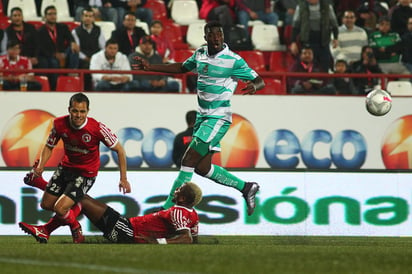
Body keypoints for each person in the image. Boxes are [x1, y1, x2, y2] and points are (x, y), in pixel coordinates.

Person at [132, 21, 264, 216]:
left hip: (218, 117)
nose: (216, 38)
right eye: (212, 35)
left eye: (219, 34)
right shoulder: (201, 54)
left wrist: (255, 86)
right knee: (202, 168)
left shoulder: (233, 60)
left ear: (223, 36)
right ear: (206, 38)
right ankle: (246, 187)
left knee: (188, 159)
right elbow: (182, 68)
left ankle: (166, 209)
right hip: (203, 116)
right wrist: (150, 66)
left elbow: (259, 79)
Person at [21, 92, 131, 243]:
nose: (78, 115)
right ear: (69, 109)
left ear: (88, 111)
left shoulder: (97, 128)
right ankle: (72, 208)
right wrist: (40, 166)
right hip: (65, 168)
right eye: (75, 111)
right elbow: (49, 146)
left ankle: (75, 226)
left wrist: (123, 178)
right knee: (46, 204)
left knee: (60, 208)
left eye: (82, 111)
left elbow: (120, 149)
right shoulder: (59, 124)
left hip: (86, 173)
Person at [19, 180, 200, 244]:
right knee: (80, 199)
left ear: (183, 198)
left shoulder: (177, 211)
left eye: (179, 190)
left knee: (79, 197)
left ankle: (40, 185)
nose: (175, 190)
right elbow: (194, 239)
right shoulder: (193, 216)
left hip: (127, 231)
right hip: (127, 227)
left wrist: (158, 242)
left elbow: (186, 239)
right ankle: (46, 230)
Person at [37, 5, 80, 90]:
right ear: (45, 16)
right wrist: (54, 55)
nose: (53, 16)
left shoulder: (62, 27)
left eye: (54, 14)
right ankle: (54, 87)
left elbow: (70, 38)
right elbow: (41, 48)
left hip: (63, 53)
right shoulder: (40, 31)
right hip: (49, 55)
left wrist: (72, 43)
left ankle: (72, 72)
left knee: (74, 49)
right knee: (54, 62)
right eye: (50, 14)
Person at [290, 0, 339, 72]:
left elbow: (334, 24)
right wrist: (293, 42)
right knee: (306, 66)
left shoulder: (327, 7)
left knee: (324, 66)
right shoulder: (300, 7)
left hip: (323, 42)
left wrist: (335, 38)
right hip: (307, 41)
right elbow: (295, 26)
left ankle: (324, 82)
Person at [72, 7, 106, 90]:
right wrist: (86, 58)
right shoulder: (75, 31)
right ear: (82, 17)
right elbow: (77, 50)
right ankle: (88, 91)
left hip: (97, 57)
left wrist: (97, 58)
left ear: (94, 18)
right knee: (86, 67)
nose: (88, 18)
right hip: (83, 59)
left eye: (90, 16)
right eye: (86, 16)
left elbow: (103, 47)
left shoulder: (98, 30)